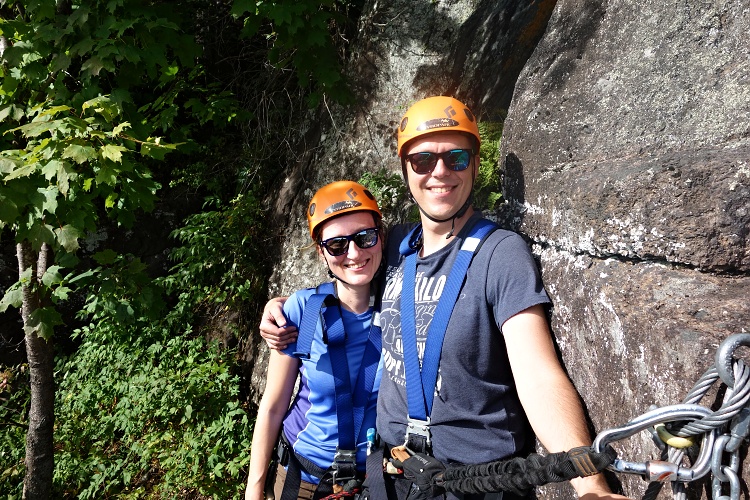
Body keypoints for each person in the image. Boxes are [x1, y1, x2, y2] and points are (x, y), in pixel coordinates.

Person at [259, 97, 629, 500]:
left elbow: (537, 374)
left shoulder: (500, 254)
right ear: (405, 169)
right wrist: (281, 305)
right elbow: (347, 266)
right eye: (422, 161)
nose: (439, 172)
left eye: (455, 157)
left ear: (474, 164)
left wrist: (590, 483)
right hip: (391, 479)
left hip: (473, 483)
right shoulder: (395, 248)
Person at [245, 181, 385, 500]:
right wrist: (254, 488)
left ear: (381, 237)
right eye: (337, 245)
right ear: (321, 253)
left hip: (374, 482)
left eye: (365, 237)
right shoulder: (303, 310)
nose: (354, 253)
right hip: (303, 478)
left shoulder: (402, 309)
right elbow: (273, 405)